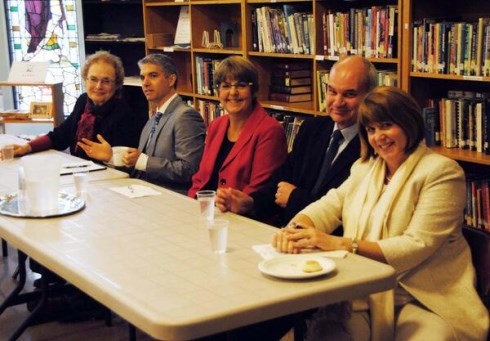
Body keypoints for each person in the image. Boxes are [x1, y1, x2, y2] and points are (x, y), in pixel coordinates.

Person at [274, 87, 489, 341]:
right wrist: (295, 230)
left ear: (408, 123)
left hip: (423, 298)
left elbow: (417, 244)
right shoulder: (364, 168)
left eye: (387, 125)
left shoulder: (441, 172)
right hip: (363, 291)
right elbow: (329, 206)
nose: (379, 137)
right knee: (327, 334)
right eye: (371, 129)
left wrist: (342, 244)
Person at [215, 55, 376, 227]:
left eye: (349, 94)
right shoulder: (312, 129)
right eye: (332, 91)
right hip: (287, 234)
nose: (337, 102)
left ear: (370, 96)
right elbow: (280, 181)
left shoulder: (374, 145)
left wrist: (294, 198)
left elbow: (349, 212)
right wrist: (250, 202)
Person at [78, 54, 206, 194]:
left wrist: (143, 161)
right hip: (146, 194)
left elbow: (190, 170)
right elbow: (141, 170)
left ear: (171, 80)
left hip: (172, 200)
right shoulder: (153, 118)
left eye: (153, 75)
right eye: (143, 77)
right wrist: (111, 157)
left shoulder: (185, 116)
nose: (145, 83)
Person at [13, 51, 144, 160]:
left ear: (116, 84)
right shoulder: (84, 101)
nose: (98, 86)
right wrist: (28, 147)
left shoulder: (125, 113)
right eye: (93, 79)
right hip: (81, 170)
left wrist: (110, 156)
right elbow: (60, 135)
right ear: (85, 80)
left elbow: (128, 160)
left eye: (106, 81)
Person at [188, 56, 287, 198]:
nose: (233, 93)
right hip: (207, 209)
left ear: (253, 90)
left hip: (240, 214)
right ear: (218, 92)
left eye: (241, 85)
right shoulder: (216, 125)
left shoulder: (270, 131)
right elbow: (200, 178)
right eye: (226, 86)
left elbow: (259, 188)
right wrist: (192, 204)